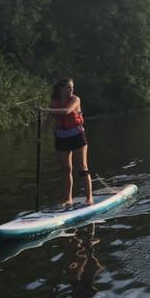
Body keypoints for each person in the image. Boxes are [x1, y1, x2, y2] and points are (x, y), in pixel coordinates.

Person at [40, 78, 93, 207]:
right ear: (61, 89)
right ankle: (68, 199)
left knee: (82, 168)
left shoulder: (76, 99)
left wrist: (45, 110)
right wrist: (39, 135)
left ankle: (89, 198)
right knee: (66, 169)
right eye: (68, 87)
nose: (71, 90)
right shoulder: (54, 102)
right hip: (61, 137)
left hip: (77, 136)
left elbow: (67, 111)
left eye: (72, 87)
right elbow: (48, 121)